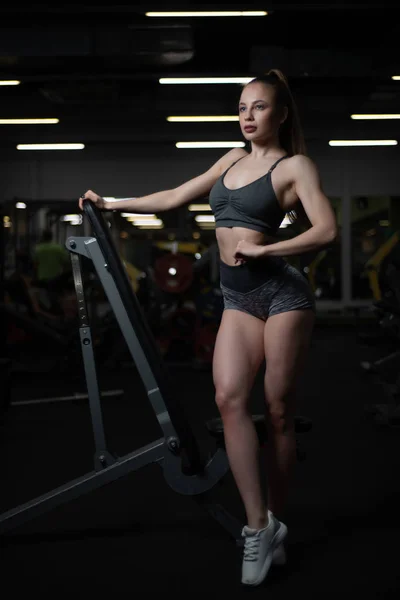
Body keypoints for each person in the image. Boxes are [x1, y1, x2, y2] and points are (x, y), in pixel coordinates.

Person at [79, 69, 337, 587]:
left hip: (284, 294)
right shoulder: (230, 160)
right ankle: (257, 525)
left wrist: (266, 249)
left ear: (280, 114)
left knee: (280, 409)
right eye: (241, 107)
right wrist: (111, 204)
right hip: (239, 297)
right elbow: (175, 195)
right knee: (228, 398)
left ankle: (275, 520)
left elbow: (326, 229)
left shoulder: (295, 166)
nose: (246, 116)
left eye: (258, 107)